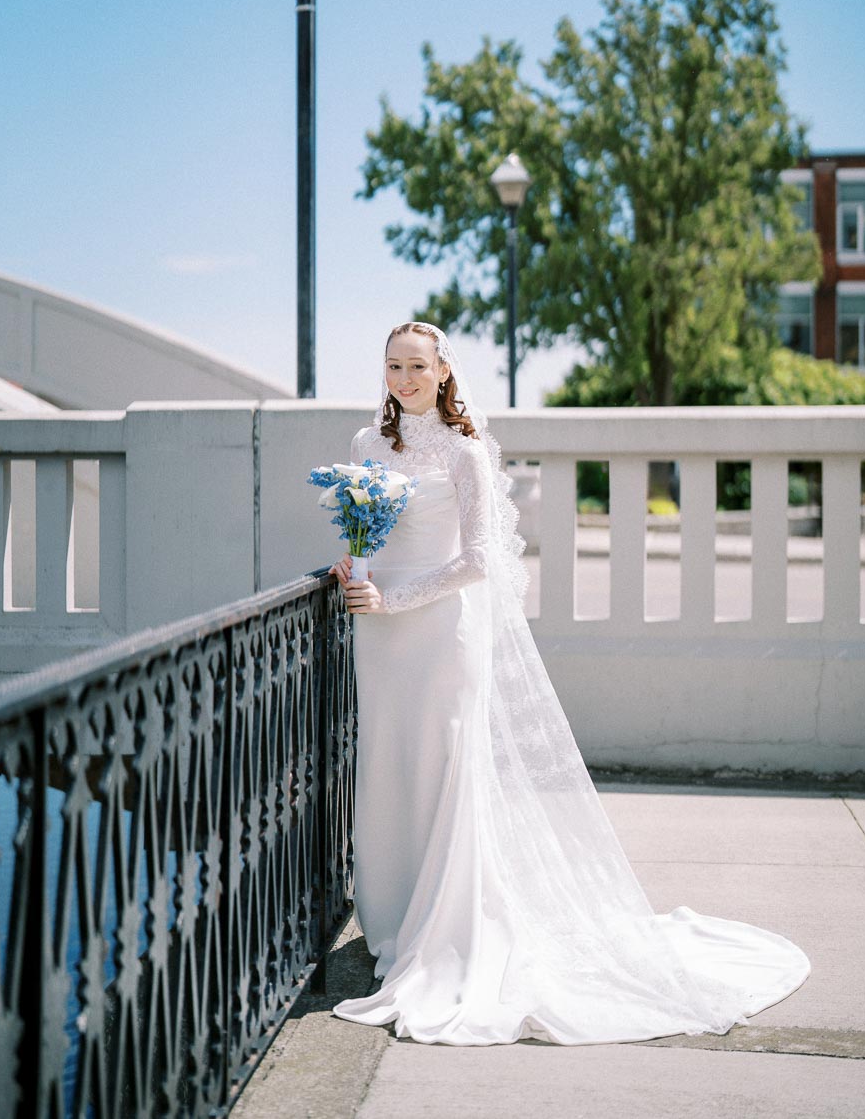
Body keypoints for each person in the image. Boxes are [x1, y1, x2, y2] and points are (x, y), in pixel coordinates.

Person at [327, 320, 809, 1046]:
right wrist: (349, 568)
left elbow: (480, 560)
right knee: (388, 765)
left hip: (437, 634)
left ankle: (446, 931)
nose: (403, 380)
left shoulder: (465, 453)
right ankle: (392, 922)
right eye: (393, 365)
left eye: (417, 367)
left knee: (443, 768)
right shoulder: (366, 447)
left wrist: (396, 599)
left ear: (444, 372)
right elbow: (364, 534)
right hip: (379, 636)